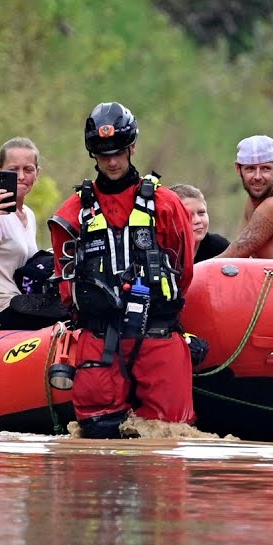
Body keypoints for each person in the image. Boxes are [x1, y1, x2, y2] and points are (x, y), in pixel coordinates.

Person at [48, 102, 196, 439]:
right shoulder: (71, 214)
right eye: (103, 154)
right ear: (93, 155)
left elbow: (184, 271)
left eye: (117, 152)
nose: (112, 162)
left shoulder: (166, 204)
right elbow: (66, 283)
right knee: (95, 440)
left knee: (168, 439)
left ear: (132, 147)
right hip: (99, 340)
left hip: (158, 334)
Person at [0, 137, 65, 332]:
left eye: (28, 170)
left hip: (20, 302)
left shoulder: (29, 215)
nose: (20, 176)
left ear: (37, 173)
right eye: (13, 170)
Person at [217, 134, 273, 260]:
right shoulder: (251, 203)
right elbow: (237, 257)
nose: (258, 176)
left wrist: (194, 271)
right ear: (238, 169)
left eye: (265, 169)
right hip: (264, 279)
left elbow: (232, 257)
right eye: (250, 169)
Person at [169, 183, 229, 262]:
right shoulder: (160, 252)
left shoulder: (219, 247)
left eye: (201, 213)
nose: (197, 220)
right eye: (188, 216)